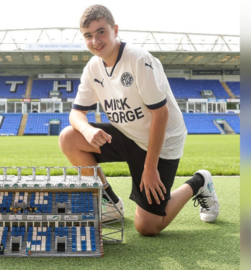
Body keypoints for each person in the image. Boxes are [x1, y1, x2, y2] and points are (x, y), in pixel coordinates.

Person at [58, 4, 219, 236]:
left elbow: (160, 114)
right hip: (126, 134)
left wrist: (150, 167)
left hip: (161, 143)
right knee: (69, 137)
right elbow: (76, 113)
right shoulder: (93, 67)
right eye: (88, 36)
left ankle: (200, 182)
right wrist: (87, 130)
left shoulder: (138, 60)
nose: (95, 41)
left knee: (148, 227)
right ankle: (110, 204)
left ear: (115, 30)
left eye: (101, 32)